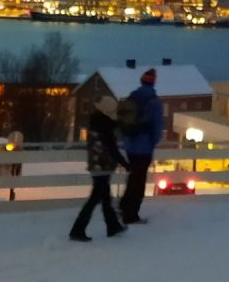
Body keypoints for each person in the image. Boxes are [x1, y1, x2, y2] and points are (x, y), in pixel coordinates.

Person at [70, 96, 128, 242]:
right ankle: (77, 230)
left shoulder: (95, 122)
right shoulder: (105, 126)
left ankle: (113, 226)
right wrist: (125, 163)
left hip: (96, 165)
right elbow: (112, 148)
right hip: (103, 166)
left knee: (105, 198)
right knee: (95, 198)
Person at [119, 68, 165, 225]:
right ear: (153, 82)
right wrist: (152, 142)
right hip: (144, 148)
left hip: (130, 146)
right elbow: (158, 128)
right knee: (139, 182)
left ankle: (123, 206)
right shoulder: (154, 102)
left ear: (141, 81)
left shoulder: (132, 97)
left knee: (133, 177)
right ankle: (131, 215)